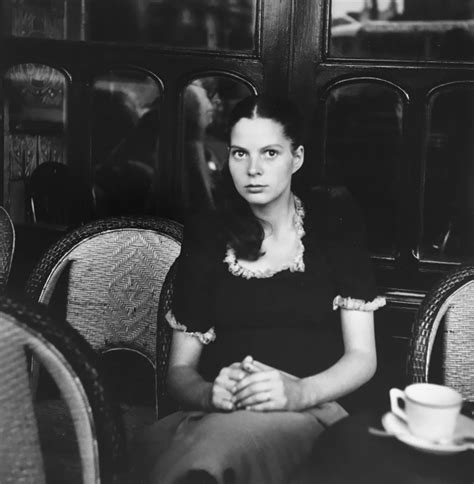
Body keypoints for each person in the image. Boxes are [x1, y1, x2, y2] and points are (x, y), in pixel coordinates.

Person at [132, 94, 386, 483]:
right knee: (203, 451)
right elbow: (180, 372)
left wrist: (299, 391)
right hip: (219, 416)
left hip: (311, 412)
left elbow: (363, 357)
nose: (253, 169)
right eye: (239, 154)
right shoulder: (208, 232)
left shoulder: (333, 220)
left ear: (296, 158)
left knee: (215, 457)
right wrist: (208, 394)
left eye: (269, 153)